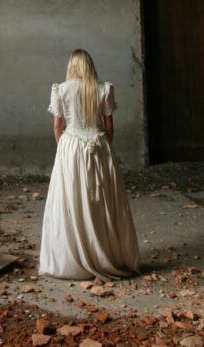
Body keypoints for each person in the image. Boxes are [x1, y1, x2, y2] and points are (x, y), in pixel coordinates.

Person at [38, 49, 140, 280]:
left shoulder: (61, 90)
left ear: (72, 66)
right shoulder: (103, 89)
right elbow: (110, 127)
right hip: (99, 145)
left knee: (71, 199)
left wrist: (63, 148)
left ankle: (72, 261)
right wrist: (105, 148)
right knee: (102, 202)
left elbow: (57, 126)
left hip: (71, 146)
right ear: (90, 65)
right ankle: (106, 255)